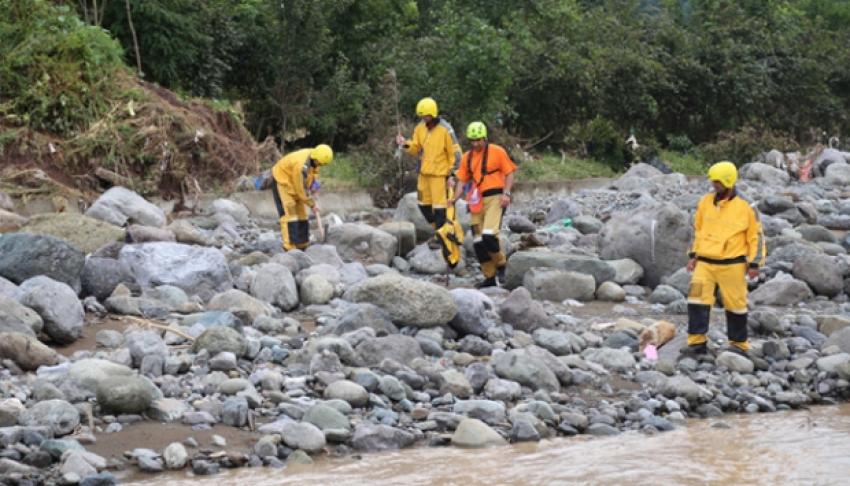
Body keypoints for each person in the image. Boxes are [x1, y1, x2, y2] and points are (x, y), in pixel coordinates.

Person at [681, 161, 766, 358]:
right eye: (713, 181)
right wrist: (693, 255)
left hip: (733, 265)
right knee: (695, 300)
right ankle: (696, 343)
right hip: (704, 263)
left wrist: (754, 264)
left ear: (729, 181)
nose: (714, 185)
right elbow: (697, 230)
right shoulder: (705, 202)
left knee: (736, 305)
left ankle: (738, 345)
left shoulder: (747, 206)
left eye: (718, 182)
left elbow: (756, 237)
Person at [449, 121, 516, 287]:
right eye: (473, 140)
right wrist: (454, 199)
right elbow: (461, 181)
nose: (476, 143)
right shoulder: (467, 158)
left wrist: (506, 193)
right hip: (477, 201)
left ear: (485, 138)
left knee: (488, 235)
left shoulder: (497, 151)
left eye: (479, 140)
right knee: (478, 242)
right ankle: (489, 277)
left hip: (496, 197)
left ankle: (501, 265)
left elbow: (509, 174)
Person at [396, 97, 462, 245]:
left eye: (425, 116)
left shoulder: (445, 129)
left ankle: (441, 237)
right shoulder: (420, 128)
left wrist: (452, 175)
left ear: (433, 114)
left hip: (440, 175)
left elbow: (456, 154)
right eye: (421, 116)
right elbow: (416, 148)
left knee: (439, 208)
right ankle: (440, 231)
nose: (423, 119)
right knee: (423, 205)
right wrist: (405, 144)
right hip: (424, 174)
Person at [271, 144, 333, 251]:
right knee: (290, 214)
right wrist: (312, 204)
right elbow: (300, 191)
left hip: (295, 181)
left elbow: (312, 173)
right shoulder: (300, 166)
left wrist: (313, 184)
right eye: (321, 164)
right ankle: (289, 247)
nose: (320, 166)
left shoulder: (315, 157)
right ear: (316, 159)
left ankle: (302, 244)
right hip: (283, 181)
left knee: (302, 214)